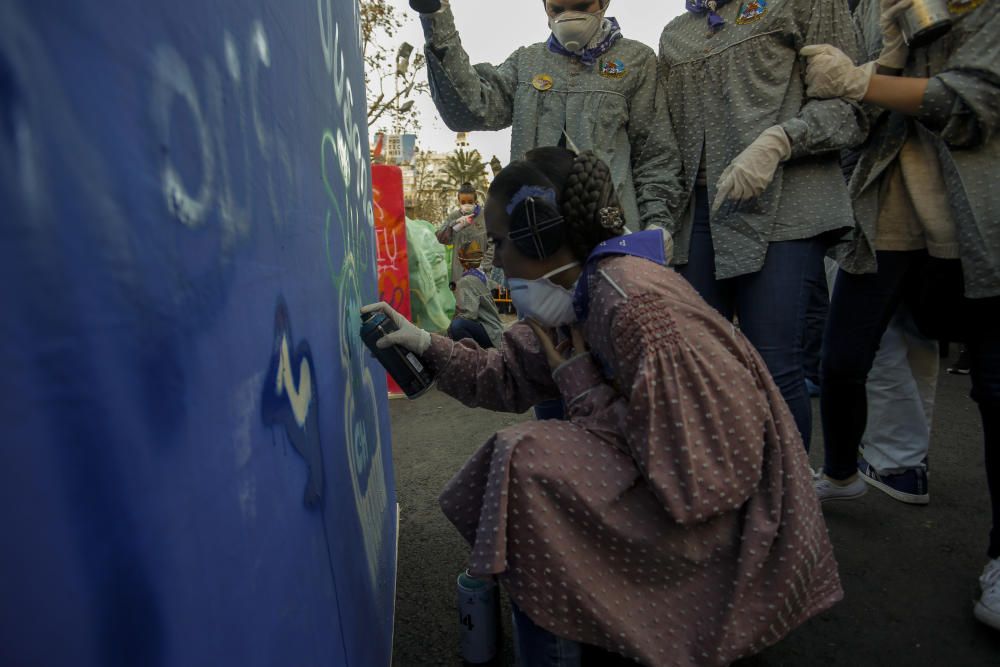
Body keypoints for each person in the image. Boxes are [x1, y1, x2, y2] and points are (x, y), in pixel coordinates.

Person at [362, 147, 841, 665]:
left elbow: (708, 479)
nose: (496, 259)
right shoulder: (577, 293)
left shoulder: (638, 309)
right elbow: (507, 375)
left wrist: (583, 388)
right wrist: (425, 344)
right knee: (529, 458)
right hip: (686, 489)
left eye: (500, 242)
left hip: (732, 533)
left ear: (540, 234)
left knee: (530, 464)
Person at [800, 0, 1000, 630]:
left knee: (995, 389)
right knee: (841, 361)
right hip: (889, 221)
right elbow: (855, 120)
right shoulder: (877, 13)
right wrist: (872, 64)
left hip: (977, 223)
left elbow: (974, 107)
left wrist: (864, 79)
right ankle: (839, 474)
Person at [657, 0, 867, 448]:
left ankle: (789, 505)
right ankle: (717, 492)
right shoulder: (676, 33)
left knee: (773, 362)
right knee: (696, 363)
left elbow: (851, 109)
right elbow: (664, 140)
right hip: (699, 212)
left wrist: (782, 140)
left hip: (787, 203)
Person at [411, 0, 686, 233]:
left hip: (611, 238)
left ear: (604, 3)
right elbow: (469, 110)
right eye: (557, 8)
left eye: (581, 6)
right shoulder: (526, 63)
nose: (569, 16)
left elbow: (656, 154)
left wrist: (658, 226)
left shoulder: (636, 61)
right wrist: (435, 16)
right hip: (534, 244)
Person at [447, 240, 504, 349]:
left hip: (490, 334)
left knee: (457, 326)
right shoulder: (482, 276)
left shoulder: (466, 281)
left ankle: (476, 356)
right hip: (496, 331)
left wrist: (449, 326)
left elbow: (470, 313)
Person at [437, 182, 493, 283]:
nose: (466, 205)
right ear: (458, 201)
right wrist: (454, 224)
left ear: (475, 200)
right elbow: (441, 238)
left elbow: (493, 245)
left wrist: (483, 266)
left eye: (470, 202)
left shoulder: (485, 216)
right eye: (463, 202)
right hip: (459, 275)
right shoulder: (454, 216)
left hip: (481, 275)